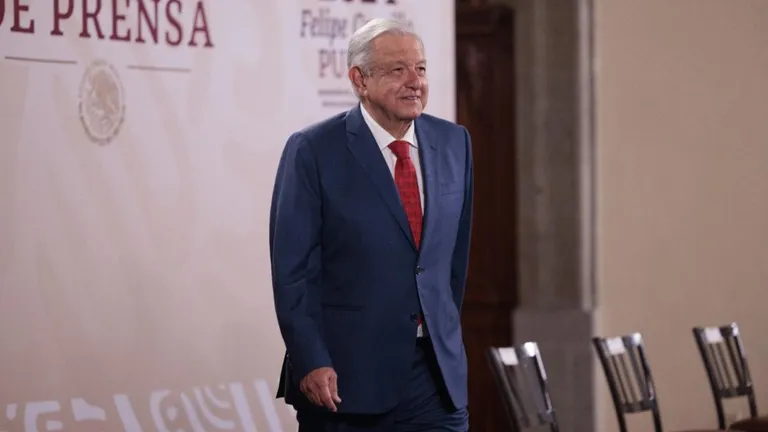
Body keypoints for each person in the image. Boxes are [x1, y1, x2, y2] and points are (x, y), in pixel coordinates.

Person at [269, 18, 474, 432]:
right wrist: (310, 358)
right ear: (359, 80)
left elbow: (454, 259)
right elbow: (293, 271)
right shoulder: (312, 150)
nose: (415, 82)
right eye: (398, 70)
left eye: (420, 68)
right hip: (346, 380)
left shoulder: (455, 142)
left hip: (435, 378)